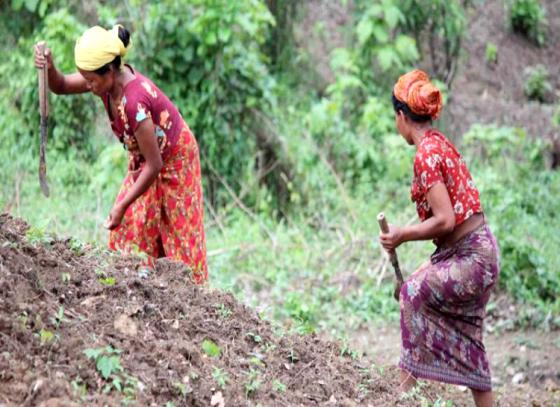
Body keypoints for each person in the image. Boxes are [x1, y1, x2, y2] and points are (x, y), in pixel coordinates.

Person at [34, 25, 207, 283]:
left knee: (179, 233)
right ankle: (141, 281)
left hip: (174, 159)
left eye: (91, 80)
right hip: (147, 159)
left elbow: (155, 164)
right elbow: (61, 85)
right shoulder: (105, 81)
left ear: (110, 70)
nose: (89, 86)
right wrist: (49, 66)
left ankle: (191, 293)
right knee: (131, 226)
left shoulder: (134, 102)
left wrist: (122, 204)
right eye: (87, 79)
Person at [378, 69, 499, 407]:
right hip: (476, 254)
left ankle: (405, 394)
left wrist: (401, 235)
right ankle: (410, 386)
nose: (396, 125)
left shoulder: (426, 154)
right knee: (467, 335)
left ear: (402, 116)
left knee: (412, 293)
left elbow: (445, 221)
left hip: (472, 258)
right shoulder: (438, 143)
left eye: (395, 118)